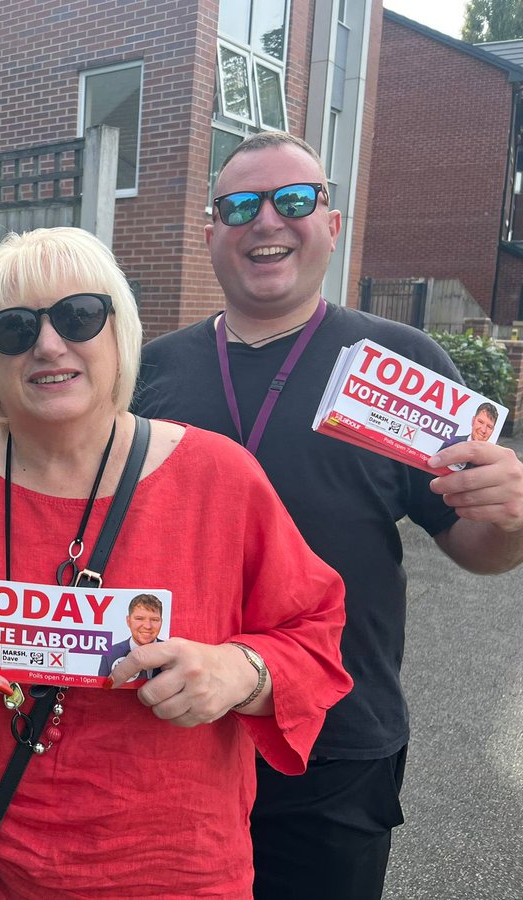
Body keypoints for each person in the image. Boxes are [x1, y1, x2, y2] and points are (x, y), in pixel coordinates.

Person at [0, 226, 352, 899]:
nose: (50, 344)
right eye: (15, 329)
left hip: (169, 872)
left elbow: (314, 636)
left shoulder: (219, 478)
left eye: (79, 316)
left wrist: (237, 673)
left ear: (119, 335)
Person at [133, 131, 523, 900]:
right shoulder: (151, 373)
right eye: (240, 205)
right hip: (171, 728)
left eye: (295, 200)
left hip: (335, 741)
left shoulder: (400, 367)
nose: (267, 221)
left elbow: (477, 549)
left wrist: (510, 517)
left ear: (333, 225)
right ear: (212, 232)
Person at [97, 592, 164, 679]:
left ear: (161, 622)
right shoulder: (110, 655)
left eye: (154, 620)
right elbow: (100, 692)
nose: (148, 626)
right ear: (128, 621)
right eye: (139, 619)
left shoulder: (172, 654)